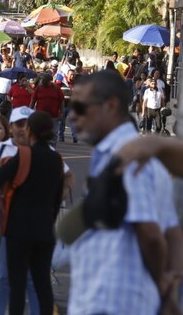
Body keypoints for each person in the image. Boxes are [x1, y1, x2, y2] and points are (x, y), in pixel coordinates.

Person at [67, 71, 177, 315]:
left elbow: (150, 233)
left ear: (111, 105)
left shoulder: (127, 156)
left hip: (112, 301)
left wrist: (160, 284)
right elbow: (172, 230)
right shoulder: (109, 152)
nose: (72, 115)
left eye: (79, 107)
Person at [0, 112, 63, 315]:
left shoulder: (24, 154)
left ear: (30, 131)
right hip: (45, 229)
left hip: (19, 229)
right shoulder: (56, 159)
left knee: (18, 283)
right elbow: (57, 198)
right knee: (43, 284)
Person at [29, 73, 64, 145]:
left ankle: (52, 148)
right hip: (41, 116)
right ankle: (41, 146)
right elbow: (33, 100)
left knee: (53, 133)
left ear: (49, 81)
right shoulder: (38, 88)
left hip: (53, 115)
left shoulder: (57, 89)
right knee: (40, 132)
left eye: (45, 80)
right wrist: (29, 111)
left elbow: (62, 101)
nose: (43, 82)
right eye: (42, 80)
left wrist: (61, 113)